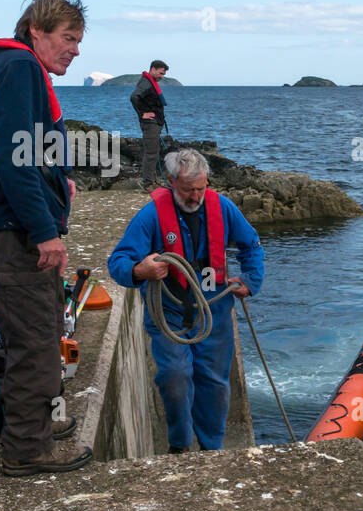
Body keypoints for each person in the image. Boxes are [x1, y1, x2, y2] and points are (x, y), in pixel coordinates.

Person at [0, 0, 93, 476]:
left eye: (78, 41)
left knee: (34, 331)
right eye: (68, 38)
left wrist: (60, 180)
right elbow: (14, 158)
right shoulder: (18, 69)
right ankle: (27, 449)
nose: (75, 50)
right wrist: (44, 232)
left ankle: (37, 423)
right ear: (36, 30)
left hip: (0, 226)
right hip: (16, 233)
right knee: (35, 342)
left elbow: (18, 150)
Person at [107, 148, 265, 453]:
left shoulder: (224, 208)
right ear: (170, 182)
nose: (195, 197)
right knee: (174, 378)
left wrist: (250, 280)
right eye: (187, 190)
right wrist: (140, 269)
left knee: (215, 385)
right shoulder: (150, 215)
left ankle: (211, 448)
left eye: (200, 189)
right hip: (169, 313)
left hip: (214, 311)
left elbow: (251, 244)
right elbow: (118, 262)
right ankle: (179, 446)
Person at [131, 60, 169, 185]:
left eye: (163, 74)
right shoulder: (146, 83)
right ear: (153, 69)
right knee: (151, 153)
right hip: (150, 124)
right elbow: (134, 97)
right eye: (160, 73)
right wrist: (142, 113)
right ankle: (148, 183)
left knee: (153, 151)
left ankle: (152, 180)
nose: (161, 77)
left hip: (155, 123)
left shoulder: (149, 82)